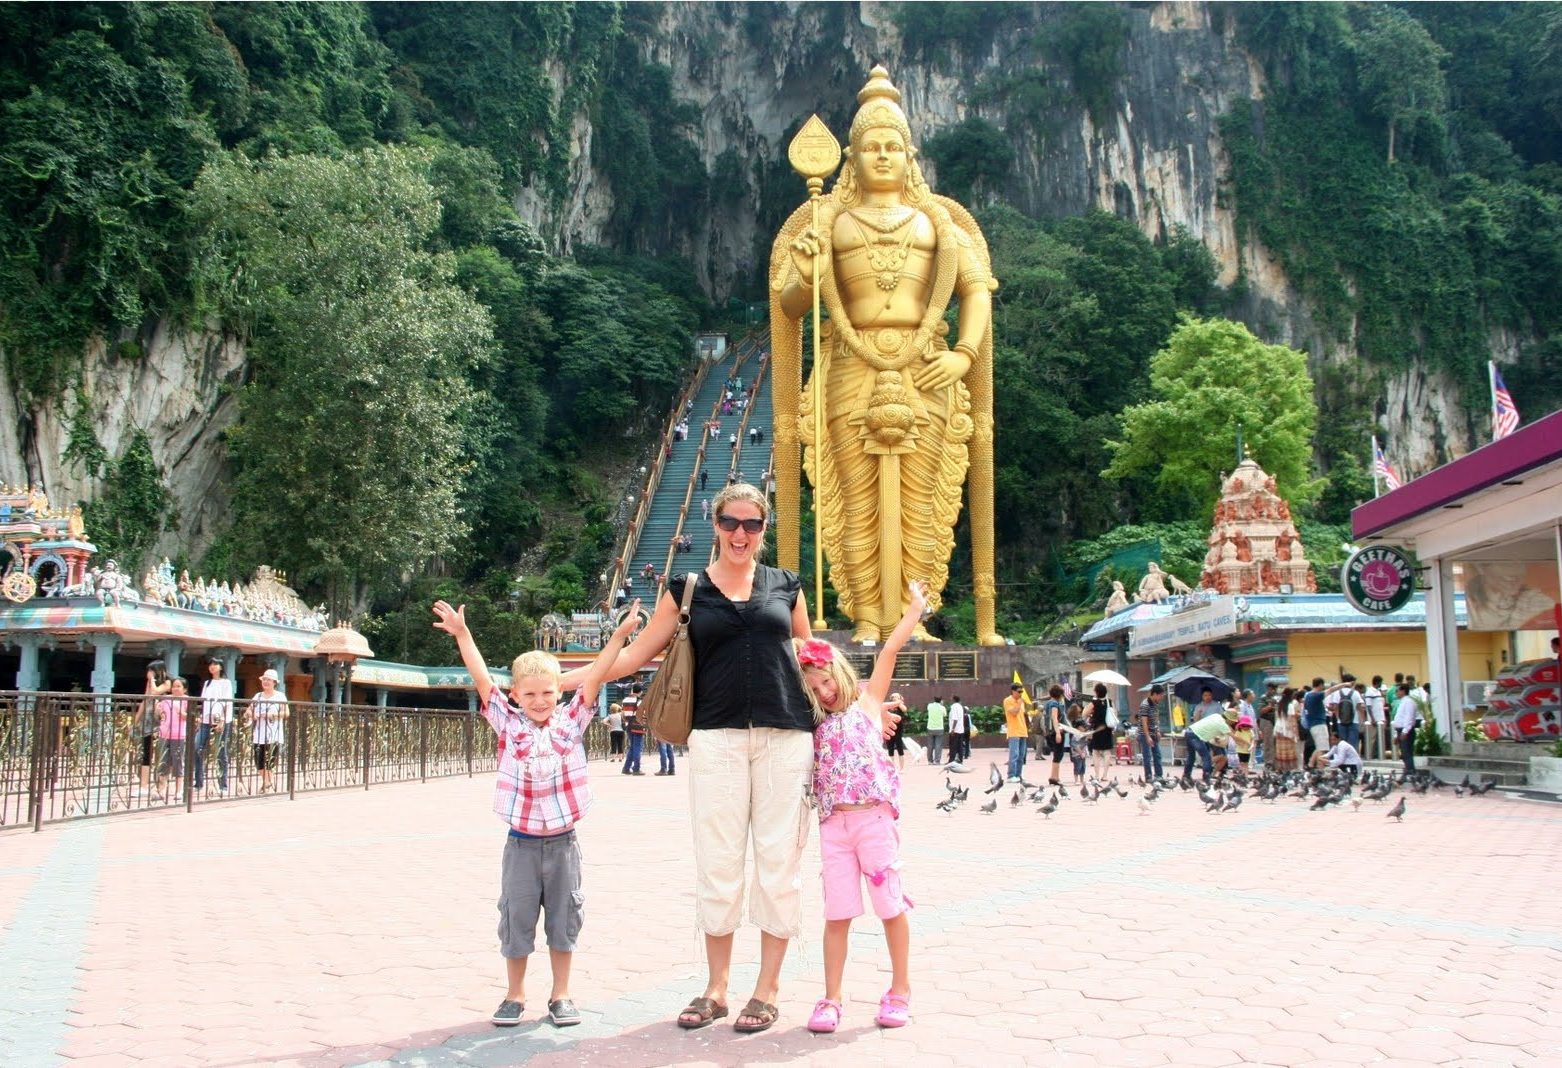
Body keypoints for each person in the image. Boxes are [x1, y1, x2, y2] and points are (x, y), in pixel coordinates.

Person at [573, 482, 815, 1034]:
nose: (741, 534)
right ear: (715, 523)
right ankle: (717, 987)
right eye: (732, 522)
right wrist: (571, 678)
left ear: (764, 529)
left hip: (786, 735)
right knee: (719, 862)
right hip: (716, 737)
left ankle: (767, 988)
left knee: (780, 863)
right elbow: (637, 654)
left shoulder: (786, 586)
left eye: (752, 525)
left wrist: (863, 702)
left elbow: (814, 659)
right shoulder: (688, 589)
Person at [773, 65, 1000, 646]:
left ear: (910, 154)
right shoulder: (826, 218)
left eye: (892, 146)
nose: (881, 156)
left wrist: (964, 354)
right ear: (850, 155)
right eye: (870, 147)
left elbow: (976, 290)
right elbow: (793, 303)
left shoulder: (939, 222)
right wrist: (805, 266)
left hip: (927, 365)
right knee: (853, 497)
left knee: (923, 501)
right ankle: (867, 617)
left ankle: (912, 619)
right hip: (850, 366)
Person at [432, 594, 640, 1029]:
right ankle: (514, 994)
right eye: (530, 694)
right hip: (522, 844)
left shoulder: (572, 720)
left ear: (559, 692)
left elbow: (598, 674)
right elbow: (481, 679)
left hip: (564, 844)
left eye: (548, 692)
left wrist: (620, 636)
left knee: (565, 920)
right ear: (517, 695)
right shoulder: (507, 721)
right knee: (516, 919)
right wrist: (463, 633)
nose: (540, 700)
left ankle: (561, 994)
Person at [797, 582, 925, 1033]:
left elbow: (889, 650)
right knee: (838, 914)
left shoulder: (870, 704)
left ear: (842, 674)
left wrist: (913, 610)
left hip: (873, 820)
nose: (823, 690)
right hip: (834, 827)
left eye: (827, 680)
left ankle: (900, 989)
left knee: (890, 906)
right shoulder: (811, 724)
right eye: (814, 686)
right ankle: (831, 998)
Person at [196, 657, 234, 795]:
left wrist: (223, 719)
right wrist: (201, 717)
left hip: (221, 719)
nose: (212, 666)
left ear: (221, 667)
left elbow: (227, 702)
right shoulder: (207, 683)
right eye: (210, 664)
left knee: (220, 751)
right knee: (197, 747)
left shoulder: (226, 682)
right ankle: (198, 781)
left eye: (215, 664)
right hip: (206, 719)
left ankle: (222, 784)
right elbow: (204, 701)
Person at [247, 668, 288, 794]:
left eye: (268, 680)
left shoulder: (280, 696)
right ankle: (268, 781)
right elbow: (248, 710)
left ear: (274, 682)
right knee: (258, 763)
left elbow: (286, 712)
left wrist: (272, 715)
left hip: (273, 734)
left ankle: (267, 783)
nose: (266, 682)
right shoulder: (257, 696)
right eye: (264, 679)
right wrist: (252, 714)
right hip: (259, 734)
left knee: (269, 761)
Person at [135, 659, 172, 799]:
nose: (149, 673)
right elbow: (146, 699)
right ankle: (143, 785)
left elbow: (156, 692)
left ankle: (160, 786)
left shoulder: (167, 682)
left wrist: (152, 680)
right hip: (148, 719)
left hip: (161, 720)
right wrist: (137, 719)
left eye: (151, 670)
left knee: (161, 753)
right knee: (146, 752)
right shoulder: (150, 683)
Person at [156, 677, 190, 803]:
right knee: (163, 762)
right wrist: (158, 710)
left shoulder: (186, 700)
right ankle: (162, 790)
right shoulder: (166, 699)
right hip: (164, 733)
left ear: (184, 689)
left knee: (178, 763)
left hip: (178, 735)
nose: (175, 688)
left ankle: (179, 790)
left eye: (179, 686)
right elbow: (159, 715)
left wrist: (181, 711)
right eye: (174, 686)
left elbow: (189, 716)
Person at [1181, 709, 1232, 784]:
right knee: (1206, 757)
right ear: (1229, 719)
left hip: (1188, 732)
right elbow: (1234, 736)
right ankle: (1206, 777)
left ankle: (1186, 775)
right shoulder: (1222, 724)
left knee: (1191, 756)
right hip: (1196, 736)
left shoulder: (1216, 715)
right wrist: (1245, 742)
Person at [1084, 683, 1114, 782]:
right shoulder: (1109, 702)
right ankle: (1105, 775)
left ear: (1096, 692)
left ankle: (1097, 775)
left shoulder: (1093, 703)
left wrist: (1092, 713)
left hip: (1097, 729)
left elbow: (1084, 714)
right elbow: (1114, 714)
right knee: (1107, 752)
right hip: (1108, 729)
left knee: (1096, 752)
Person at [1040, 685, 1068, 785]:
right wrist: (1058, 733)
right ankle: (1054, 777)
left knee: (1057, 754)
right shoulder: (1054, 704)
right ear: (1059, 694)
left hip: (1049, 732)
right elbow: (1054, 718)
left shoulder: (1048, 703)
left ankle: (1055, 776)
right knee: (1058, 754)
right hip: (1056, 731)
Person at [1137, 684, 1165, 780]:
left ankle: (1159, 775)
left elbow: (1155, 718)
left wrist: (1157, 730)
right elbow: (1144, 722)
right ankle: (1148, 776)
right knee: (1147, 756)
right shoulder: (1145, 704)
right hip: (1145, 733)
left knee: (1157, 754)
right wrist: (1147, 736)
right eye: (1161, 695)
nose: (1161, 697)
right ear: (1155, 694)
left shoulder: (1155, 703)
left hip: (1154, 732)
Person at [1391, 682, 1419, 776]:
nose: (1396, 693)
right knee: (1404, 753)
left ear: (1403, 691)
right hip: (1400, 730)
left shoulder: (1409, 702)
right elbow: (1399, 719)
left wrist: (1405, 731)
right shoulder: (1403, 702)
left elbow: (1409, 718)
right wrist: (1396, 734)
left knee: (1407, 753)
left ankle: (1410, 772)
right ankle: (1409, 770)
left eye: (1397, 691)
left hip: (1406, 730)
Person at [1003, 683, 1029, 782]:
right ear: (1013, 691)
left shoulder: (1020, 702)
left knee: (1021, 755)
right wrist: (1019, 703)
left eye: (1022, 691)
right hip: (1014, 731)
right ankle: (1011, 775)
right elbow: (1014, 712)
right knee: (1014, 754)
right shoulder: (1008, 700)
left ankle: (1018, 775)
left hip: (1022, 730)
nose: (1021, 694)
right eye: (1019, 692)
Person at [621, 683, 644, 776]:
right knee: (637, 747)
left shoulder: (625, 700)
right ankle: (636, 768)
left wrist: (626, 721)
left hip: (628, 725)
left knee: (632, 747)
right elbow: (642, 713)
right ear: (640, 691)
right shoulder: (639, 701)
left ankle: (626, 768)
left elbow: (622, 714)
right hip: (638, 726)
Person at [1362, 675, 1387, 761]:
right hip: (1374, 719)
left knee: (1379, 738)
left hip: (1380, 718)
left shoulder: (1378, 692)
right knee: (1371, 738)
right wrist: (1372, 719)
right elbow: (1368, 706)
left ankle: (1378, 755)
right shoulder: (1370, 692)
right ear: (1377, 682)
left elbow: (1380, 706)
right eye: (1380, 682)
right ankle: (1369, 755)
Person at [883, 691, 910, 772]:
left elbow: (905, 710)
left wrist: (898, 702)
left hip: (898, 730)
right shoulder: (889, 706)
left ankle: (902, 768)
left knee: (900, 748)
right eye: (893, 697)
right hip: (889, 729)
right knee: (890, 749)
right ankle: (891, 768)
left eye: (896, 696)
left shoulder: (900, 706)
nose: (894, 698)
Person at [923, 695, 947, 765]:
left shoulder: (930, 706)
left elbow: (928, 709)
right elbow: (945, 715)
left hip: (930, 727)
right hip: (939, 728)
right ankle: (937, 761)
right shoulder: (942, 707)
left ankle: (930, 761)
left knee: (930, 745)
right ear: (941, 700)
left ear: (934, 699)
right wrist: (941, 705)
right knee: (938, 745)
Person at [947, 695, 968, 766]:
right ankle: (960, 760)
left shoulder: (953, 707)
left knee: (953, 746)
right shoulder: (960, 706)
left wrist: (953, 729)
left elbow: (955, 719)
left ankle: (951, 761)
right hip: (960, 729)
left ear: (953, 699)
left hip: (955, 730)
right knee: (959, 746)